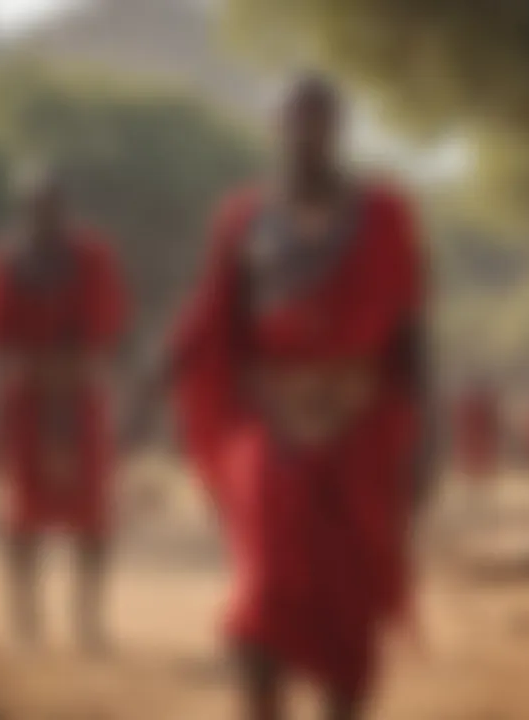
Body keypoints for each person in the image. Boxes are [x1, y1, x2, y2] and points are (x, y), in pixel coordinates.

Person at [170, 75, 431, 719]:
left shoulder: (385, 215)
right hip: (272, 432)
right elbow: (215, 325)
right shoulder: (242, 218)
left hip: (361, 432)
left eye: (319, 121)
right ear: (275, 128)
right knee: (263, 597)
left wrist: (425, 441)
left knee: (349, 610)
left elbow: (410, 332)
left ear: (338, 130)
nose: (305, 135)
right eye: (294, 121)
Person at [0, 169, 129, 652]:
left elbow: (109, 323)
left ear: (64, 205)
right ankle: (26, 620)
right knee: (21, 514)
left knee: (94, 513)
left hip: (81, 395)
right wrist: (28, 363)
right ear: (23, 208)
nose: (44, 213)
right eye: (34, 204)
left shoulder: (93, 256)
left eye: (51, 203)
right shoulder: (0, 261)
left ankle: (88, 620)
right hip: (26, 401)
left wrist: (76, 360)